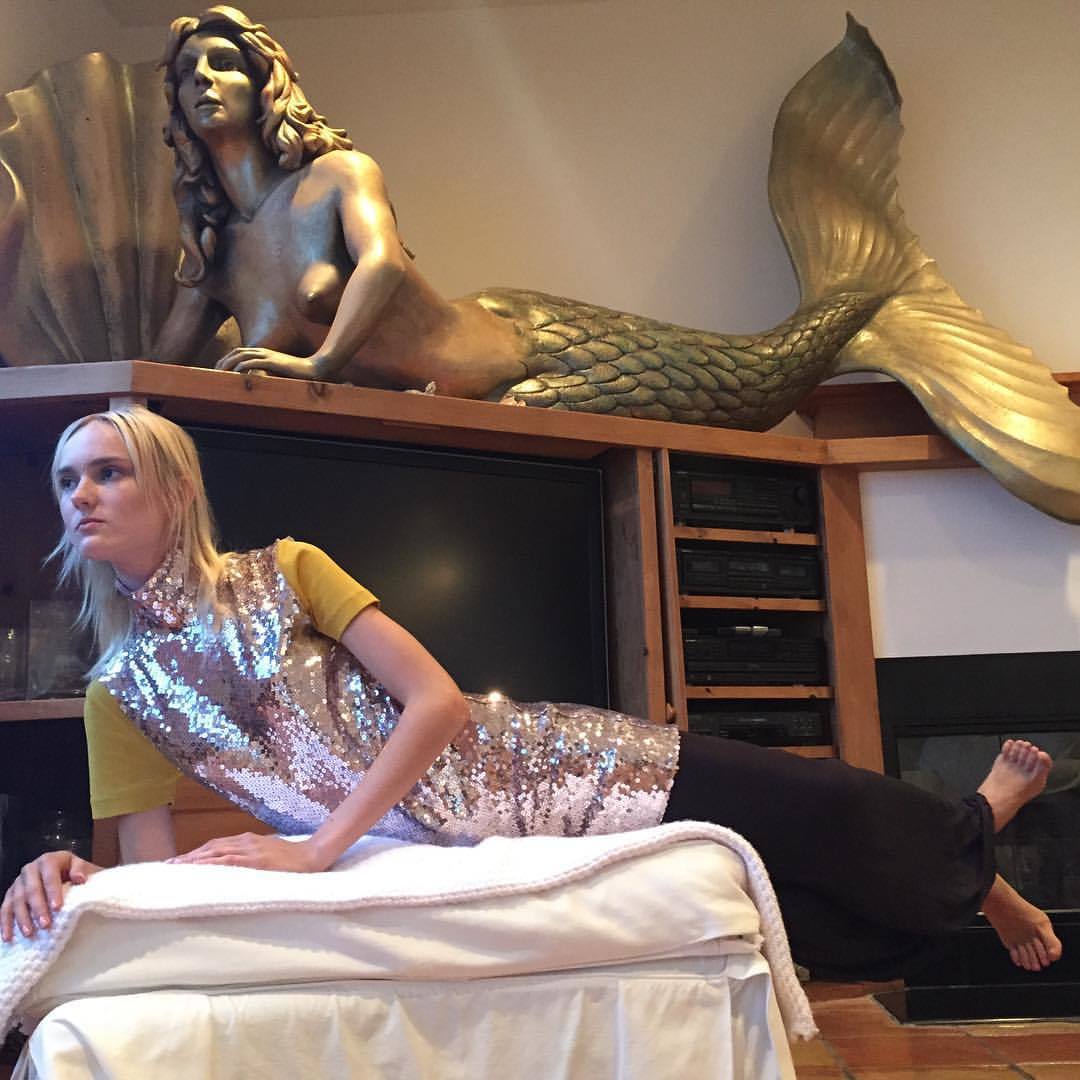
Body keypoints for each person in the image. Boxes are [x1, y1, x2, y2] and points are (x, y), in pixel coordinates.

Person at [0, 405, 1064, 979]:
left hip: (543, 767)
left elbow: (438, 704)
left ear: (175, 486)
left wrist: (319, 847)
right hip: (452, 840)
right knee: (800, 899)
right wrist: (74, 873)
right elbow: (161, 880)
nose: (81, 494)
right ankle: (966, 867)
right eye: (65, 479)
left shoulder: (287, 570)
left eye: (108, 471)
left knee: (819, 802)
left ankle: (975, 835)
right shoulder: (115, 693)